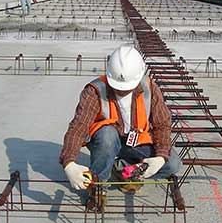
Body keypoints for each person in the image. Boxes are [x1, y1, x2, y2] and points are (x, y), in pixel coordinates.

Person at [60, 45, 181, 210]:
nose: (122, 91)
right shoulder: (95, 90)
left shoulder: (149, 88)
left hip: (136, 142)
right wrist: (69, 163)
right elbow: (78, 127)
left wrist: (160, 157)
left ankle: (124, 169)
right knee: (107, 135)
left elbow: (163, 124)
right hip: (105, 143)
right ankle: (98, 187)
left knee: (172, 164)